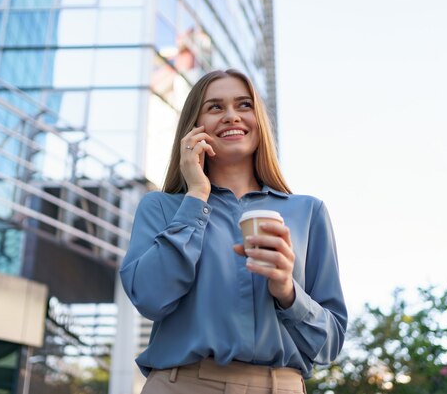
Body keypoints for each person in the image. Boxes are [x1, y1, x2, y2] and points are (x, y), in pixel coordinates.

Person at [119, 69, 347, 394]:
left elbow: (329, 345)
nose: (230, 116)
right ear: (193, 127)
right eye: (215, 107)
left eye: (243, 105)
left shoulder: (308, 213)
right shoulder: (160, 207)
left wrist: (287, 291)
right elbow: (151, 300)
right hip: (181, 385)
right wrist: (196, 195)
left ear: (259, 121)